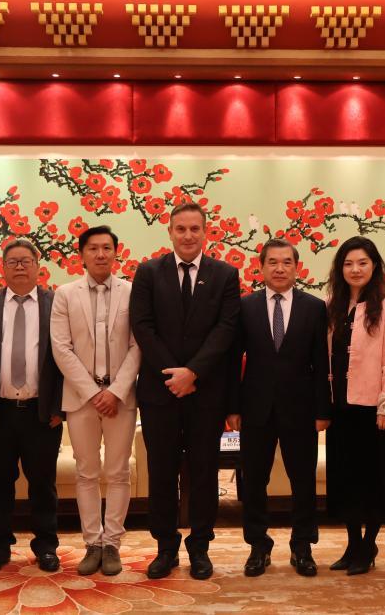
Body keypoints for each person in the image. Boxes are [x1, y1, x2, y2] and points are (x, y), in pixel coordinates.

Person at [129, 202, 241, 580]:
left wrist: (193, 373)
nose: (188, 235)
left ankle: (200, 547)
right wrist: (174, 375)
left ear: (205, 232)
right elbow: (142, 326)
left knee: (204, 473)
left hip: (206, 393)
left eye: (195, 228)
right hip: (160, 393)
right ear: (170, 232)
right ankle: (165, 548)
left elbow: (226, 330)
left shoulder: (225, 274)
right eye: (181, 229)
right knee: (161, 472)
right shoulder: (148, 272)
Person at [227, 238, 331, 578]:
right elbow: (233, 360)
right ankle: (258, 546)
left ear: (297, 268)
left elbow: (321, 362)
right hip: (255, 407)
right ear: (261, 268)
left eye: (287, 262)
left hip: (301, 409)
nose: (280, 268)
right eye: (272, 262)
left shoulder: (314, 307)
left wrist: (323, 410)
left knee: (303, 480)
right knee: (254, 480)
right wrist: (232, 407)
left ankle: (302, 546)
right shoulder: (245, 306)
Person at [0, 239, 64, 575]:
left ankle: (46, 546)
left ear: (38, 266)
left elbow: (65, 357)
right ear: (3, 268)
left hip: (42, 413)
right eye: (13, 262)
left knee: (43, 484)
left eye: (26, 261)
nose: (20, 267)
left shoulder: (56, 302)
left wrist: (59, 407)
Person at [50, 226, 141, 577]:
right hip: (80, 398)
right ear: (82, 255)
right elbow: (61, 348)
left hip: (121, 397)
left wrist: (115, 391)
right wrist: (92, 393)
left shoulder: (132, 292)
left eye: (106, 248)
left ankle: (113, 543)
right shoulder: (65, 294)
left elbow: (138, 345)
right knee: (86, 471)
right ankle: (92, 543)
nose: (100, 254)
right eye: (93, 248)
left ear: (116, 253)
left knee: (118, 472)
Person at [324, 236, 385, 576]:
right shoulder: (332, 304)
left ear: (374, 267)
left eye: (362, 263)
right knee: (344, 478)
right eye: (348, 264)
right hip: (339, 405)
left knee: (371, 479)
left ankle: (368, 544)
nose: (355, 269)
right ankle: (353, 543)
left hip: (372, 408)